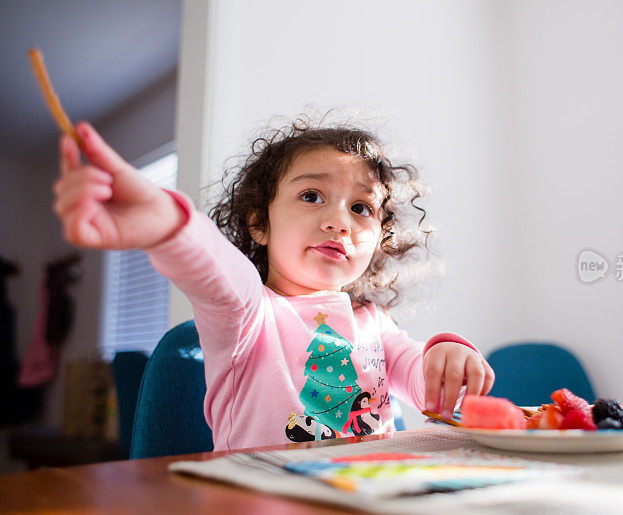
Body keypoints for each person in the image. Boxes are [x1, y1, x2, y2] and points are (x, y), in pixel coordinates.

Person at [52, 118, 494, 450]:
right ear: (258, 222)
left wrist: (445, 357)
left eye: (361, 208)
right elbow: (216, 269)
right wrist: (169, 225)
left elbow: (423, 383)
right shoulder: (246, 312)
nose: (339, 221)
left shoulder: (373, 323)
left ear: (379, 241)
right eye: (311, 196)